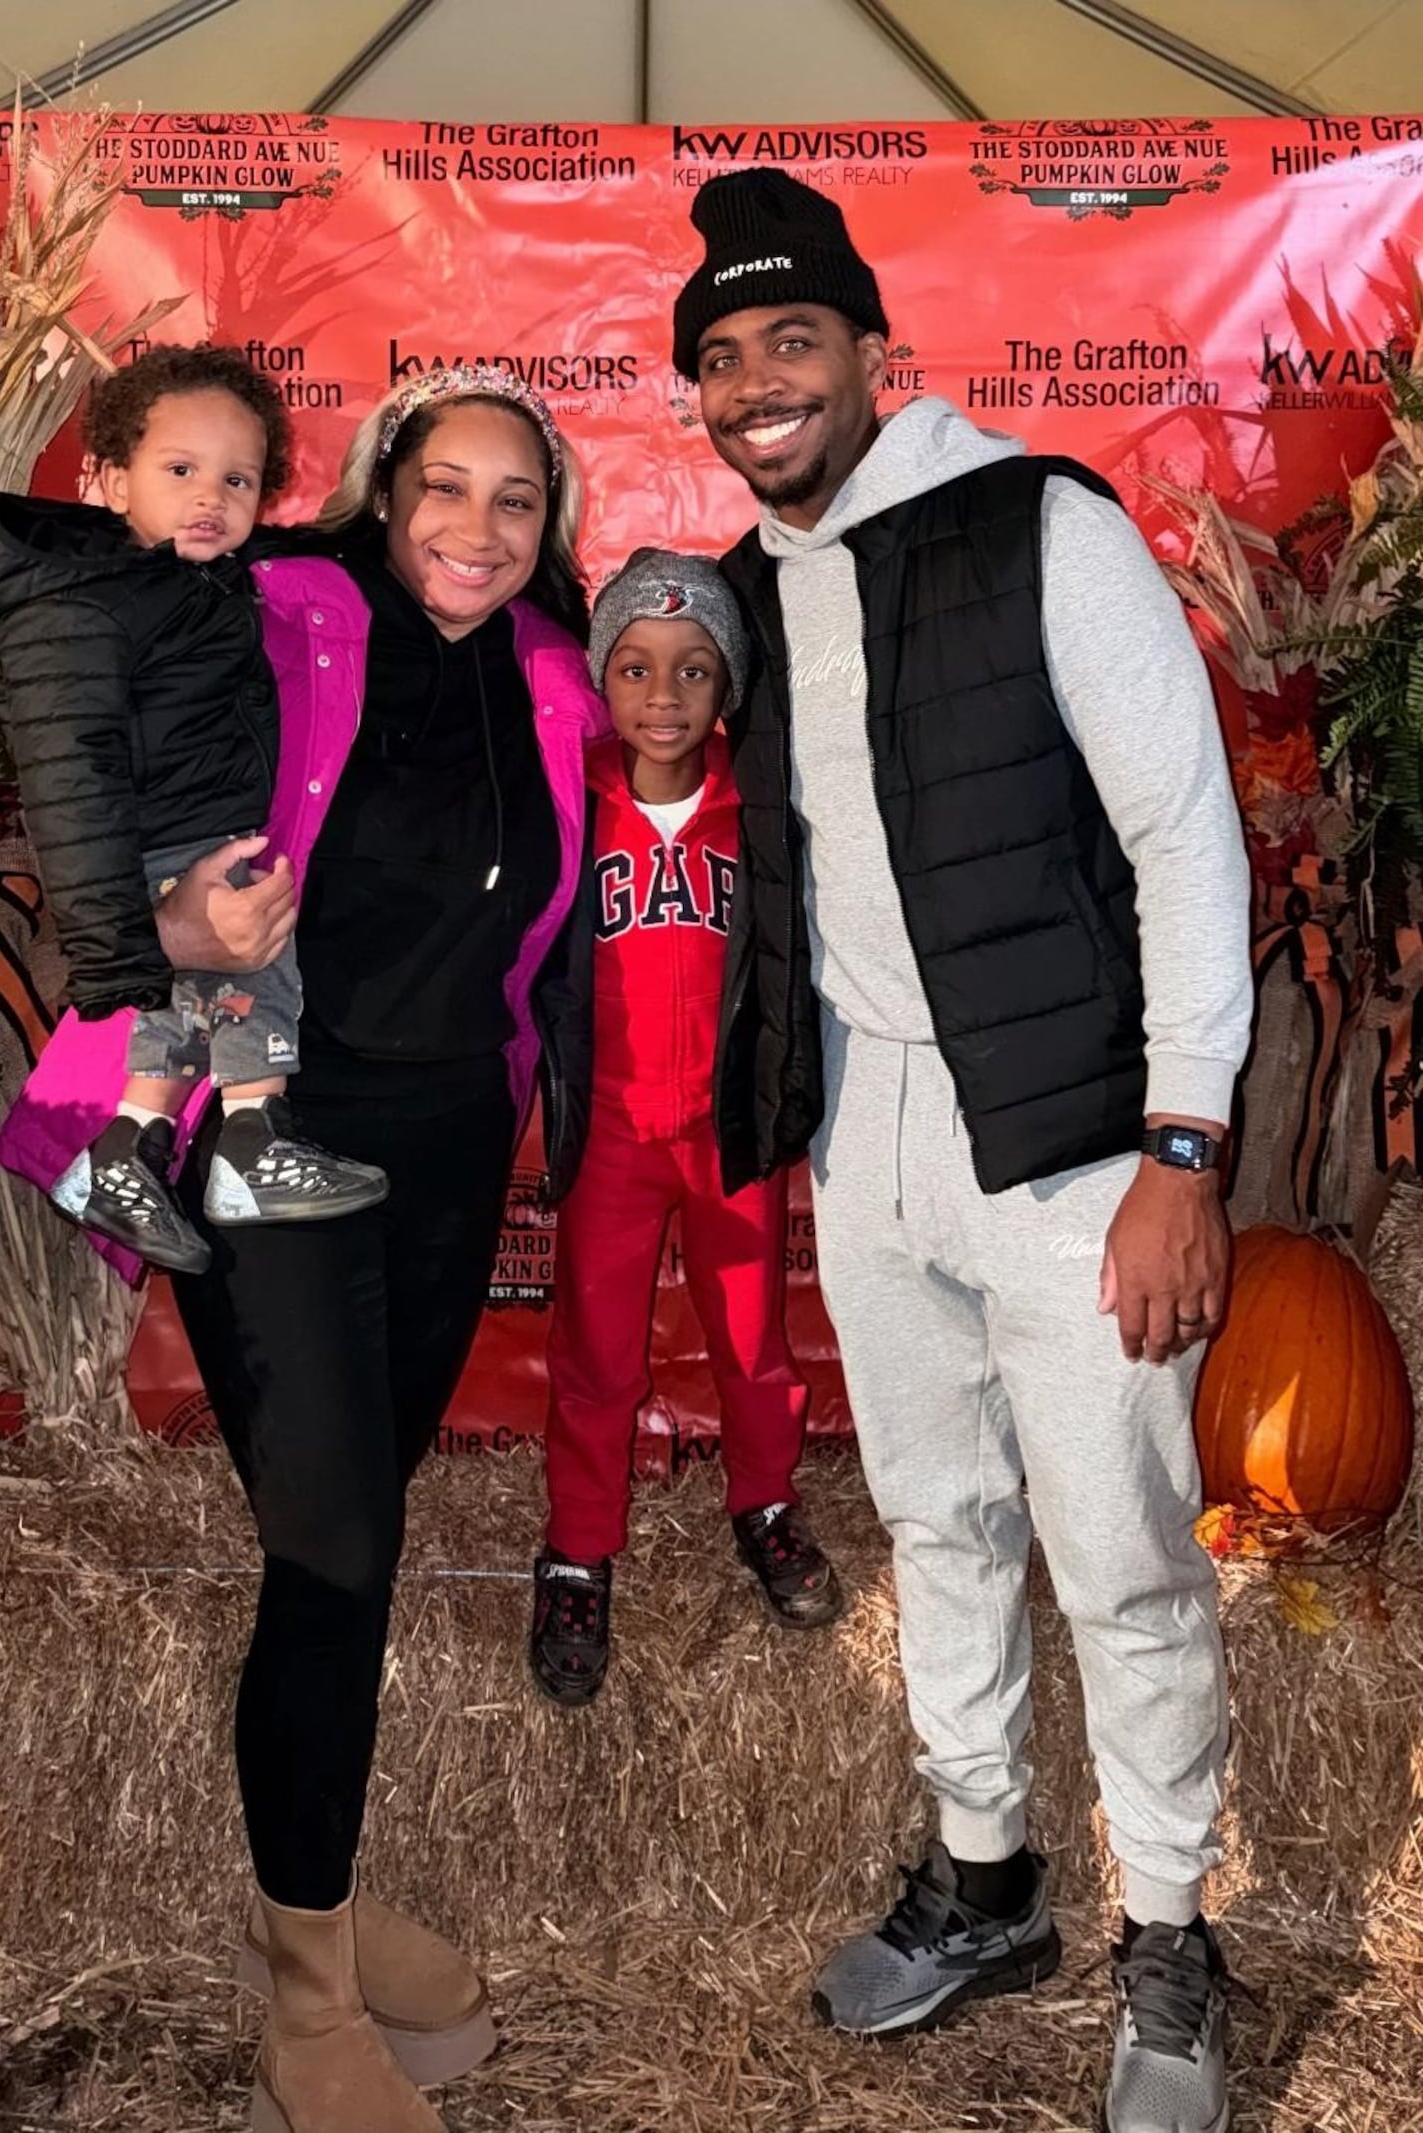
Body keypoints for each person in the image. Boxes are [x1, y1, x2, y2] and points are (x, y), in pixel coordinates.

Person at [675, 168, 1252, 2133]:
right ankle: (985, 1875)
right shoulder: (744, 591)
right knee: (937, 1523)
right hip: (871, 1126)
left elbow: (1184, 836)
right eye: (720, 358)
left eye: (789, 343)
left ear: (869, 354)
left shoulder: (1037, 523)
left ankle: (1169, 1940)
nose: (754, 386)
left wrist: (1180, 1145)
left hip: (1076, 1140)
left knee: (1121, 1564)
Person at [0, 362, 608, 2133]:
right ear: (379, 487)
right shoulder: (278, 606)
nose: (477, 528)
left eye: (515, 498)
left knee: (361, 1523)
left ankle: (313, 1883)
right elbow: (91, 721)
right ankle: (304, 1993)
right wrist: (159, 915)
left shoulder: (557, 679)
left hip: (446, 1136)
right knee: (332, 1541)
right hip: (269, 1118)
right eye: (446, 486)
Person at [0, 344, 387, 1279]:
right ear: (105, 479)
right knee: (244, 980)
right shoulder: (77, 604)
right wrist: (122, 946)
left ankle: (139, 1151)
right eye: (180, 471)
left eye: (238, 478)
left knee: (204, 1008)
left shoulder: (184, 581)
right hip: (160, 851)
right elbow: (70, 775)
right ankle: (241, 1145)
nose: (210, 496)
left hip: (200, 837)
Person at [530, 547, 839, 1708]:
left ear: (729, 690)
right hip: (609, 1136)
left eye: (695, 671)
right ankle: (576, 1548)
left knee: (753, 1345)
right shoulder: (573, 797)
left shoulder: (753, 811)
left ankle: (763, 1502)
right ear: (601, 678)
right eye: (637, 669)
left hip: (725, 1135)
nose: (663, 697)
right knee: (596, 1357)